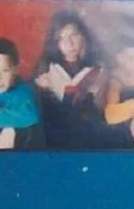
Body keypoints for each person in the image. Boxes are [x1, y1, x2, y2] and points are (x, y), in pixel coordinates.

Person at [32, 8, 111, 150]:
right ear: (55, 42)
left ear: (83, 36)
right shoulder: (45, 68)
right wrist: (47, 92)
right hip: (54, 138)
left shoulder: (99, 68)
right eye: (61, 38)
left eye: (73, 35)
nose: (69, 44)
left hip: (88, 138)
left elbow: (98, 113)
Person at [0, 37, 42, 150]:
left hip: (12, 147)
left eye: (4, 71)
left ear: (16, 69)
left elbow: (30, 116)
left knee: (12, 129)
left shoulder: (23, 91)